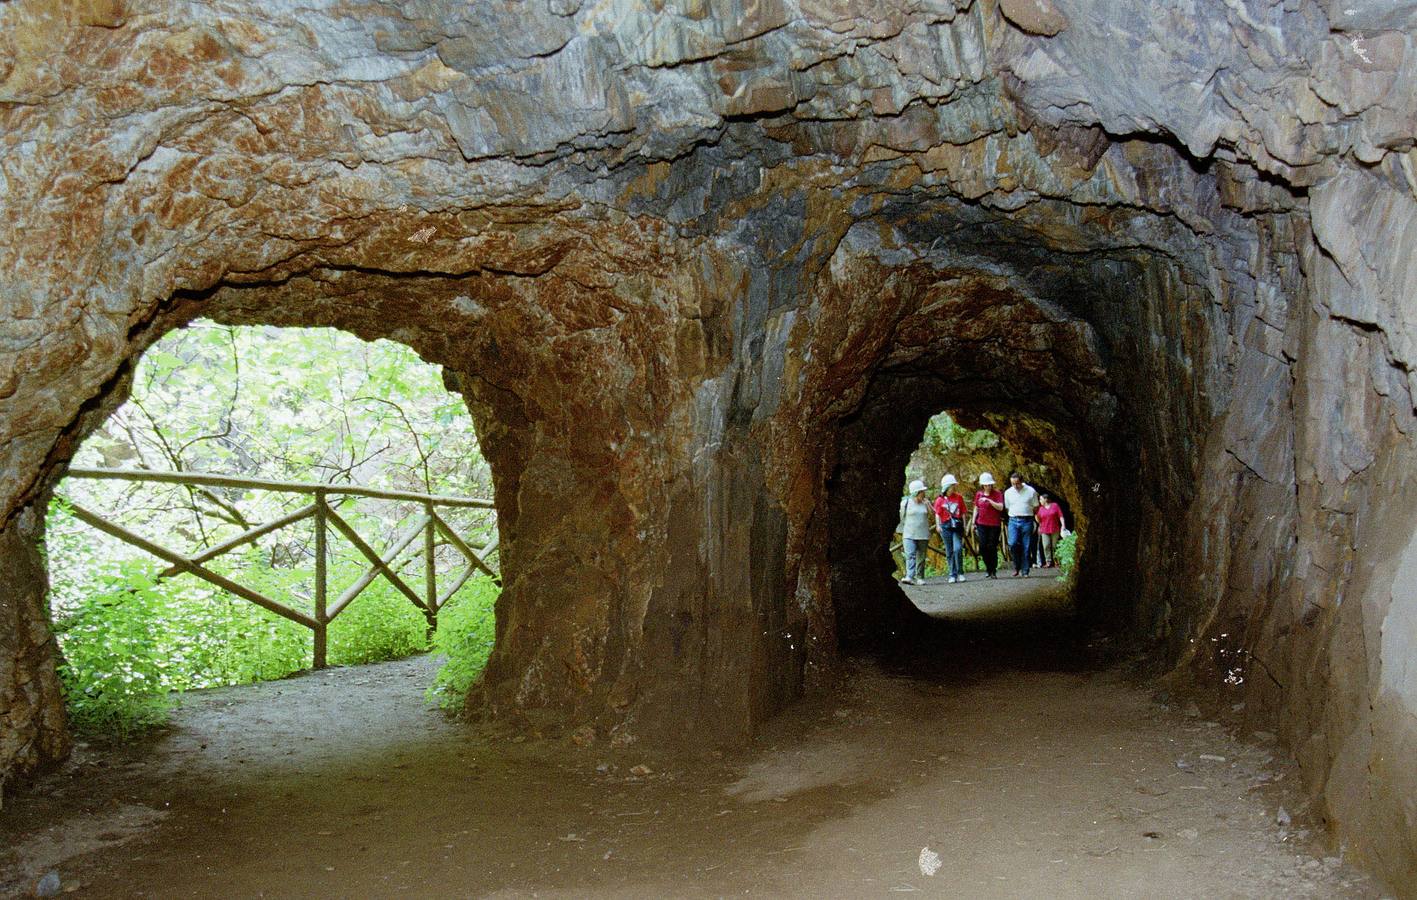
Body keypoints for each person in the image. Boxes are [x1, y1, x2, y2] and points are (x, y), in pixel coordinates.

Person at [898, 479, 935, 586]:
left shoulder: (925, 503)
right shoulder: (905, 503)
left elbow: (933, 515)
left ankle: (920, 577)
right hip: (909, 533)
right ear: (916, 492)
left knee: (921, 557)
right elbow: (900, 517)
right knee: (910, 555)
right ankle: (909, 576)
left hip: (923, 534)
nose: (924, 493)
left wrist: (929, 505)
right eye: (922, 491)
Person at [933, 474, 969, 583]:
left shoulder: (958, 497)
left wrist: (965, 525)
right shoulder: (940, 500)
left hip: (957, 526)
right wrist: (938, 525)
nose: (954, 488)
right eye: (952, 486)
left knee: (957, 549)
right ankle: (952, 574)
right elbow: (937, 514)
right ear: (947, 487)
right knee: (949, 551)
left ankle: (960, 573)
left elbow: (963, 512)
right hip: (946, 526)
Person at [1004, 472, 1041, 576]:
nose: (1015, 486)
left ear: (1021, 481)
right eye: (1013, 484)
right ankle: (1017, 566)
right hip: (1013, 519)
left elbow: (1036, 506)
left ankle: (1025, 570)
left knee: (1026, 545)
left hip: (1027, 520)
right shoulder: (1008, 492)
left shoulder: (1030, 491)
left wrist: (1028, 514)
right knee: (1012, 543)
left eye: (1017, 483)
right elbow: (1007, 507)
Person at [970, 472, 1004, 579]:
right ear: (982, 485)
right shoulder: (979, 494)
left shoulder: (997, 494)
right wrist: (973, 522)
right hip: (982, 523)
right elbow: (976, 507)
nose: (988, 487)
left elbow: (1000, 507)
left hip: (994, 524)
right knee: (983, 547)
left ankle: (993, 570)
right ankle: (988, 568)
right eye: (986, 485)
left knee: (992, 546)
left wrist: (989, 500)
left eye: (989, 485)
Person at [1036, 492, 1064, 567]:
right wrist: (1037, 518)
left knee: (1055, 545)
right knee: (1046, 545)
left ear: (1046, 499)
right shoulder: (1040, 509)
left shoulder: (1055, 505)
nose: (1040, 501)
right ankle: (1048, 561)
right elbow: (1039, 520)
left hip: (1055, 528)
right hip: (1044, 529)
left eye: (1041, 499)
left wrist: (1063, 525)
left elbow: (1060, 515)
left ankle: (1056, 561)